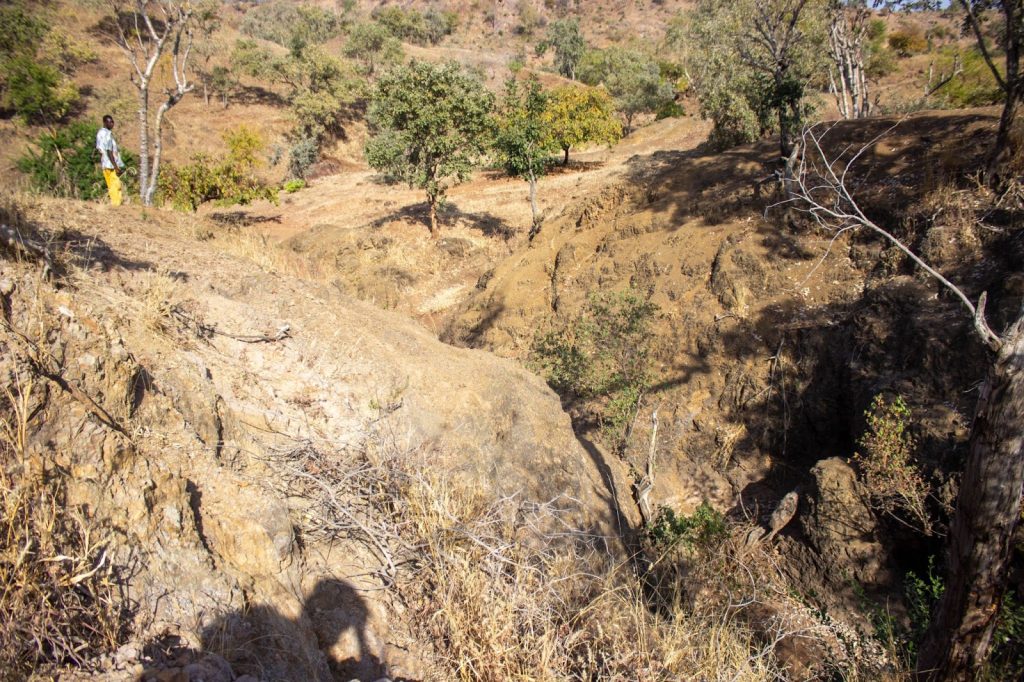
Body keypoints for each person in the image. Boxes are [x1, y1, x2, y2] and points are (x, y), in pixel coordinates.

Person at [96, 115, 126, 206]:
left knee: (111, 185)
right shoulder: (107, 134)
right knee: (116, 185)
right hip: (111, 165)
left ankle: (114, 203)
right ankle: (116, 204)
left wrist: (102, 159)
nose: (112, 123)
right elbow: (109, 151)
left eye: (112, 121)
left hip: (105, 164)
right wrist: (116, 167)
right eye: (110, 122)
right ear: (105, 123)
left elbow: (99, 150)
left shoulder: (100, 133)